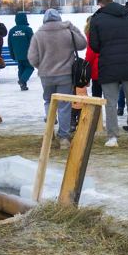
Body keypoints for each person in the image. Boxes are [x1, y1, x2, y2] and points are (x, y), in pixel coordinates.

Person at [87, 0, 128, 147]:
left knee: (110, 102)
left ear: (101, 4)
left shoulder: (97, 19)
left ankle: (112, 137)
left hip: (108, 64)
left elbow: (94, 45)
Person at [27, 8, 86, 149]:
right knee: (64, 105)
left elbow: (32, 58)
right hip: (65, 75)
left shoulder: (38, 35)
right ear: (59, 18)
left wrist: (42, 67)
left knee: (48, 101)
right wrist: (72, 27)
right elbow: (83, 44)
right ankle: (64, 138)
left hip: (46, 76)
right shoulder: (68, 32)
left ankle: (49, 130)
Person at [8, 11, 34, 91]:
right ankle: (22, 81)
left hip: (18, 55)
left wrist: (12, 55)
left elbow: (10, 44)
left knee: (21, 69)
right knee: (30, 68)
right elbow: (33, 42)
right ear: (25, 19)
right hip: (28, 54)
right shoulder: (28, 29)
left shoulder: (12, 31)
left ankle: (23, 85)